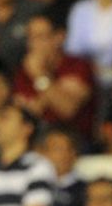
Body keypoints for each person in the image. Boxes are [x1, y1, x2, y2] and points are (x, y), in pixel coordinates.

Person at [13, 13, 97, 146]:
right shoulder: (23, 72)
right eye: (30, 37)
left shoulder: (78, 66)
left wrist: (39, 76)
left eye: (40, 37)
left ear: (59, 37)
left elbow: (67, 108)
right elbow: (28, 114)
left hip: (75, 142)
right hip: (36, 143)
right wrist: (55, 92)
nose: (33, 44)